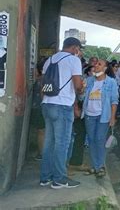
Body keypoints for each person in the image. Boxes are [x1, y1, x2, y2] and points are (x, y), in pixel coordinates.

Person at [40, 37, 84, 189]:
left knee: (49, 143)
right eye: (79, 49)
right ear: (74, 48)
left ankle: (45, 177)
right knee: (62, 143)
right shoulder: (74, 60)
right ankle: (59, 179)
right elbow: (78, 86)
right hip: (63, 105)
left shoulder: (50, 60)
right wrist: (82, 88)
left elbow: (43, 82)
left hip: (47, 103)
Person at [81, 59, 119, 178]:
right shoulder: (89, 80)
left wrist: (112, 117)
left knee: (100, 139)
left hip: (103, 115)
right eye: (95, 64)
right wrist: (81, 90)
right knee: (91, 140)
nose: (96, 66)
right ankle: (95, 165)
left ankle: (100, 165)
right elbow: (82, 97)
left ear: (105, 68)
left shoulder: (111, 82)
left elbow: (114, 100)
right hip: (89, 115)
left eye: (99, 64)